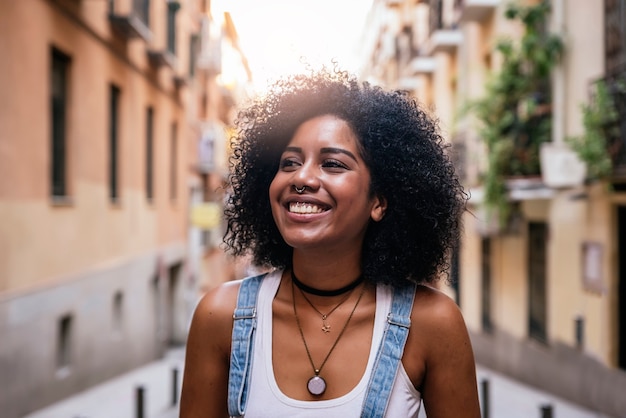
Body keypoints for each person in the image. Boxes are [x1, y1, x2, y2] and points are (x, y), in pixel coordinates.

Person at [180, 67, 481, 417]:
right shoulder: (221, 317)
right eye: (289, 162)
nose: (302, 177)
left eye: (333, 164)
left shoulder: (432, 324)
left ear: (379, 202)